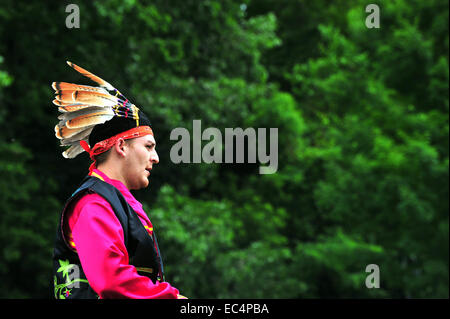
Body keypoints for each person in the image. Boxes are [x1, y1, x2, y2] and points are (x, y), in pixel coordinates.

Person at [52, 61, 185, 299]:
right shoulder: (93, 203)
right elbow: (110, 279)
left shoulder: (113, 202)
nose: (155, 158)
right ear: (121, 146)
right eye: (148, 146)